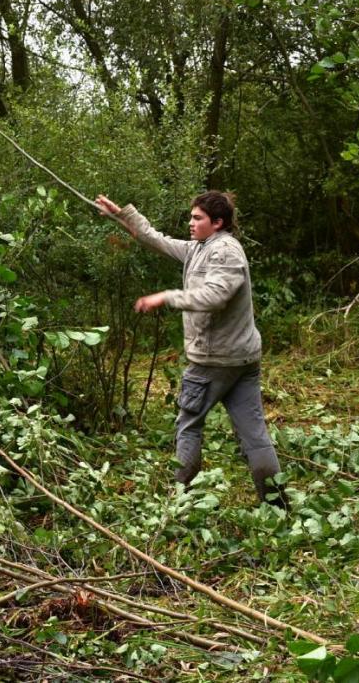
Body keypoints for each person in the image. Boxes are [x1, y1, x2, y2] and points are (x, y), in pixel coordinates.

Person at [94, 191, 288, 509]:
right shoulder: (201, 247)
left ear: (218, 222)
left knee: (188, 425)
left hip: (216, 360)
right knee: (254, 434)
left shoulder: (225, 252)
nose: (191, 223)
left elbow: (215, 296)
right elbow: (159, 240)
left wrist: (167, 297)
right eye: (192, 216)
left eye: (197, 218)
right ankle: (277, 508)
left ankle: (179, 505)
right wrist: (123, 215)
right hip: (239, 358)